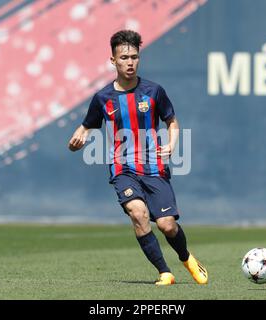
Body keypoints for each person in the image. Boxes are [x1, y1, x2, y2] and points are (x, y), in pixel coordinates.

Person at [68, 30, 208, 285]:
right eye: (124, 57)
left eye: (134, 57)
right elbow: (87, 126)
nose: (130, 62)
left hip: (154, 168)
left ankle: (186, 258)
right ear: (113, 60)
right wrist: (77, 140)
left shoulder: (154, 91)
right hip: (123, 169)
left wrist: (172, 144)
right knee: (138, 213)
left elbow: (172, 121)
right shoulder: (102, 98)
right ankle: (165, 273)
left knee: (167, 225)